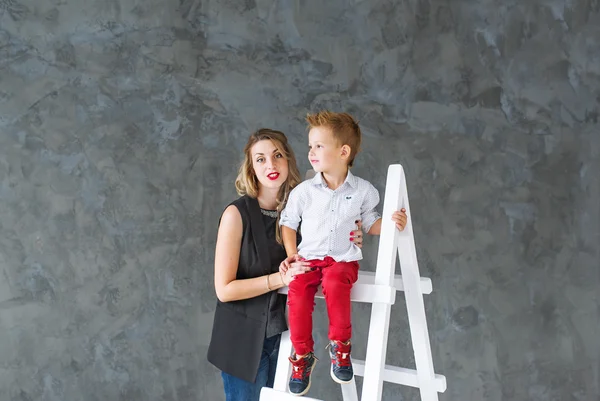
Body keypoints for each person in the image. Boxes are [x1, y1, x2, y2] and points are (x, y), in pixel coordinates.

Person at [207, 128, 366, 401]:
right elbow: (224, 290)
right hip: (243, 340)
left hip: (283, 337)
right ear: (251, 167)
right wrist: (280, 279)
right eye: (260, 159)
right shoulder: (236, 214)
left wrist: (352, 235)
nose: (271, 164)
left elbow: (327, 248)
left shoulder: (302, 210)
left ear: (289, 160)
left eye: (277, 155)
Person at [279, 111, 408, 396]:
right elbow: (288, 223)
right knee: (297, 292)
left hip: (342, 260)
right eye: (310, 146)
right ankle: (302, 357)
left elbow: (370, 222)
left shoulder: (363, 191)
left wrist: (390, 223)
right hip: (309, 260)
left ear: (343, 152)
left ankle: (341, 348)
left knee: (336, 285)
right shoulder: (304, 192)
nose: (311, 152)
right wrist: (292, 255)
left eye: (318, 146)